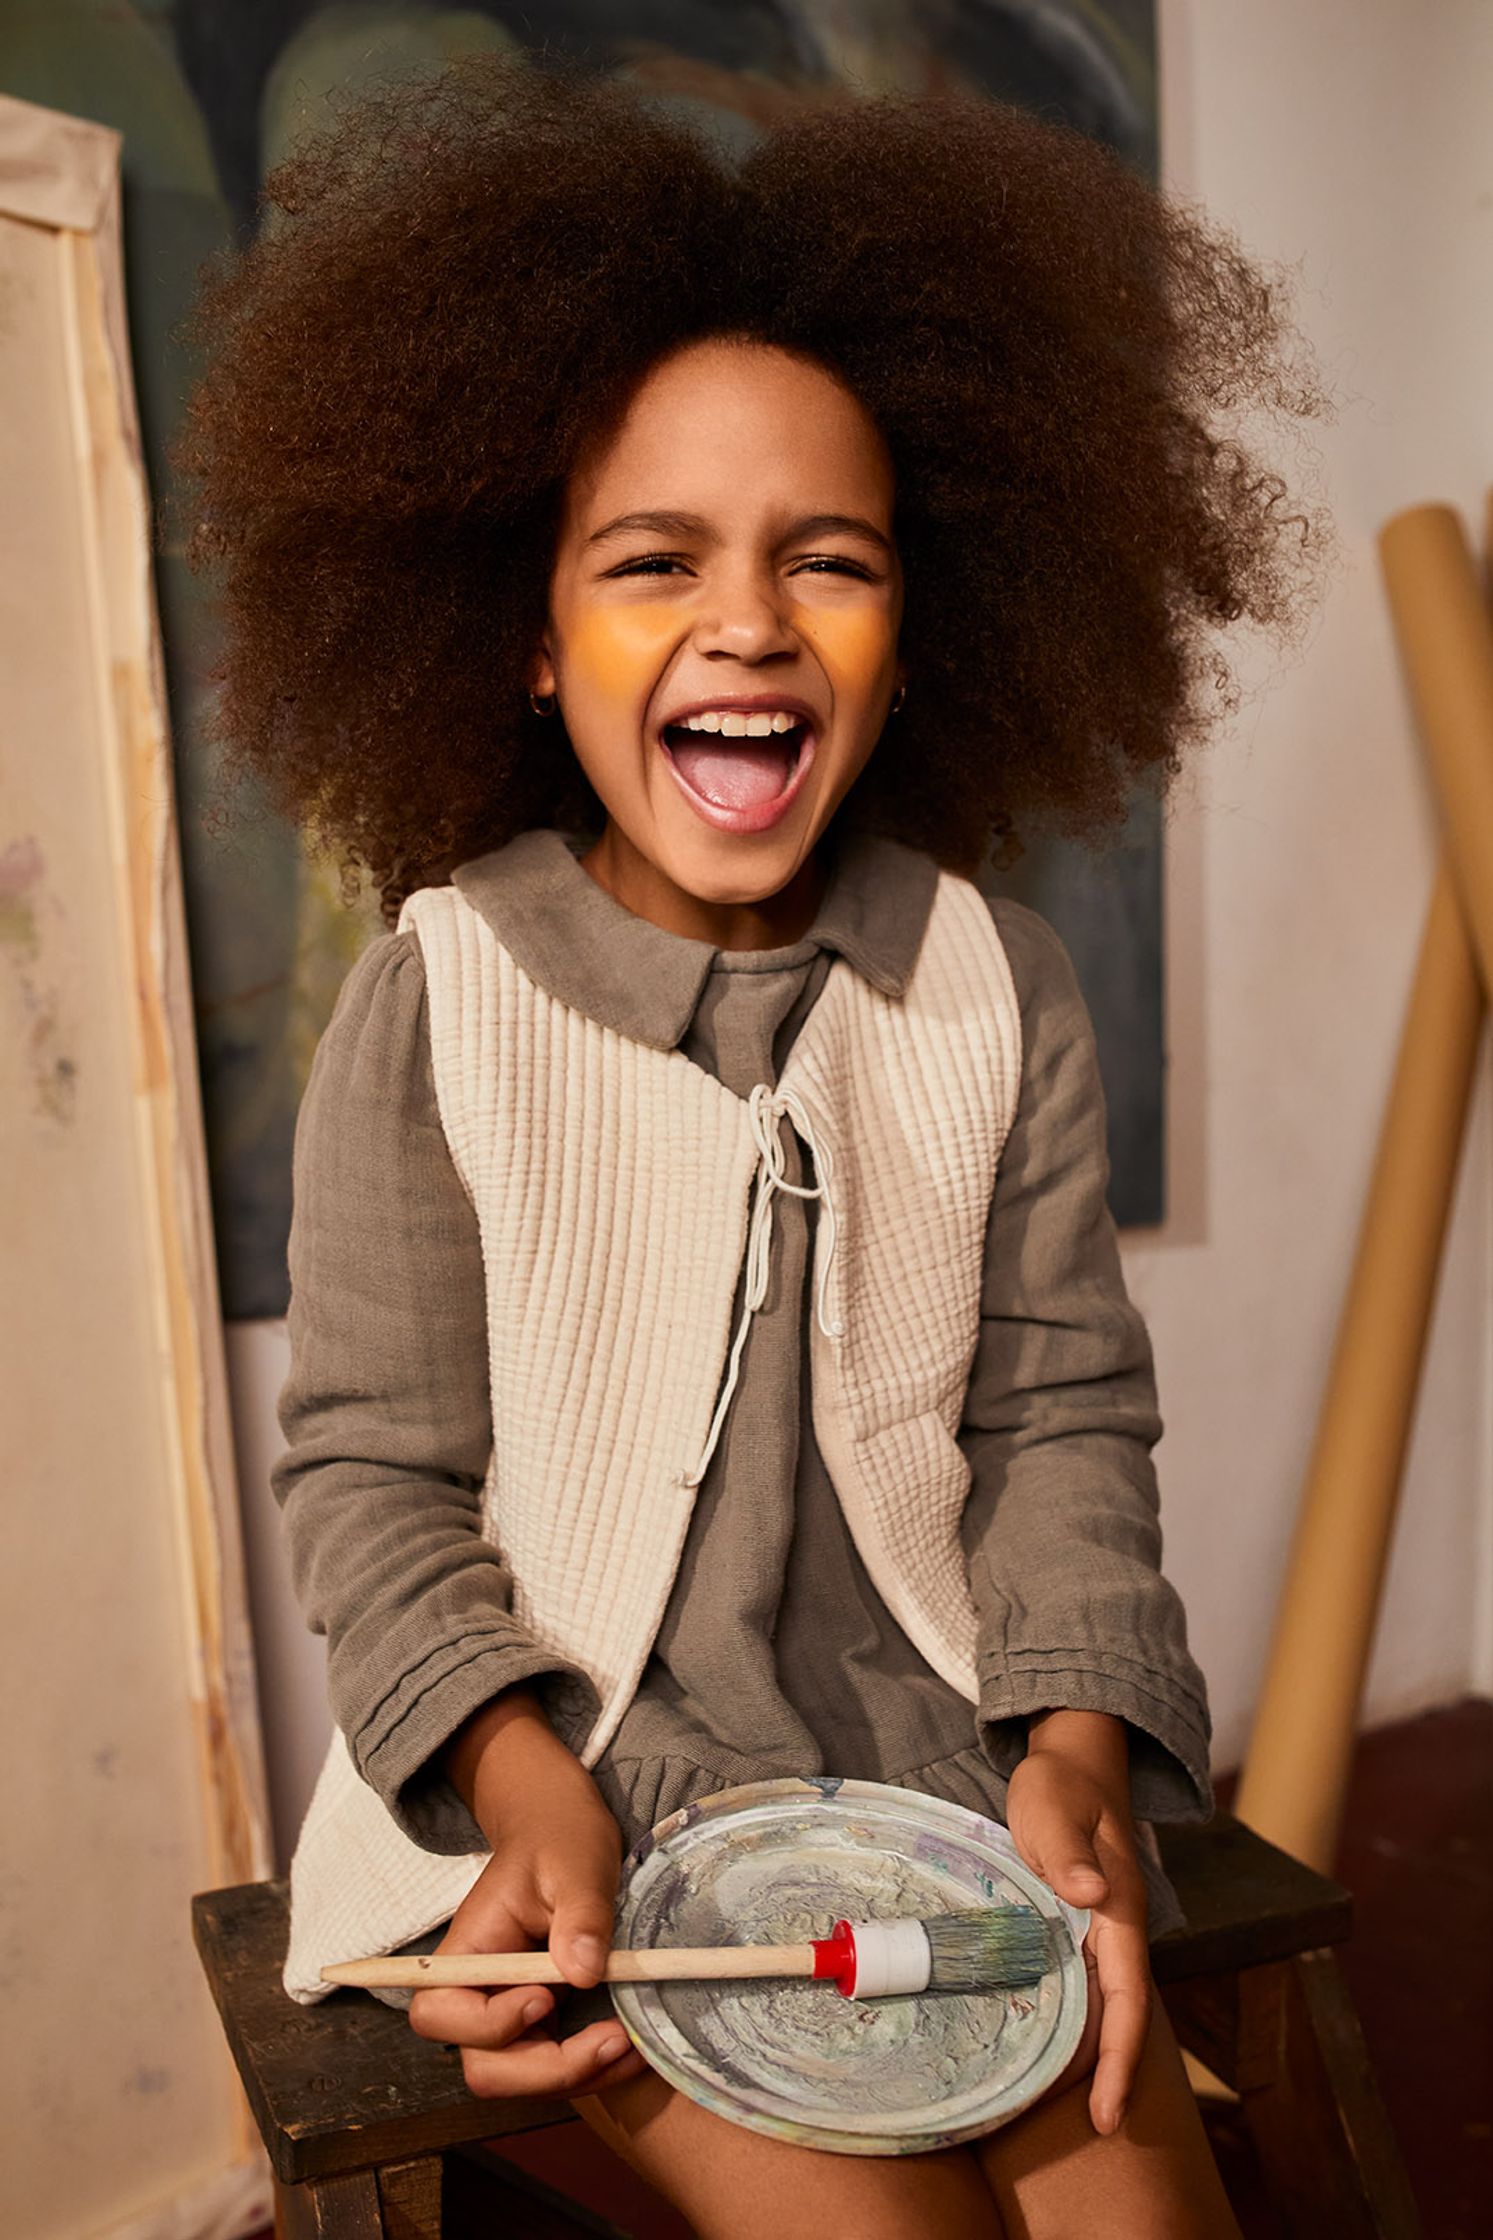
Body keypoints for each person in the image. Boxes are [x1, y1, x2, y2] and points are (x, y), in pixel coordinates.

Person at [173, 53, 1327, 2238]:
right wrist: (522, 1780)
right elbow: (377, 1481)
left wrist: (1074, 1742)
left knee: (1138, 2208)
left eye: (833, 561)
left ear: (908, 650)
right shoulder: (448, 1000)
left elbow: (1064, 1413)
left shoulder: (994, 986)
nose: (747, 619)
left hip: (945, 1777)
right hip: (593, 1792)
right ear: (524, 637)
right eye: (650, 560)